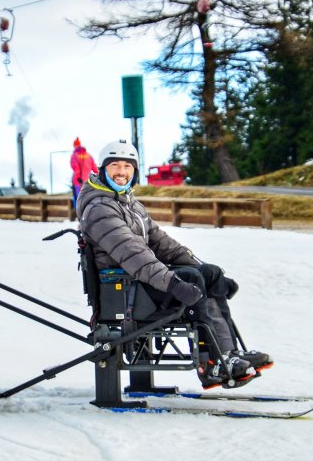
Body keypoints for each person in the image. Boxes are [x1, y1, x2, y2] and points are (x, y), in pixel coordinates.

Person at [76, 140, 271, 390]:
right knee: (190, 279)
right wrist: (172, 282)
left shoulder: (129, 203)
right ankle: (212, 364)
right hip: (124, 290)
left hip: (140, 284)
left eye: (127, 166)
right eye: (114, 165)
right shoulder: (99, 208)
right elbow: (133, 254)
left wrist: (212, 275)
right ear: (102, 170)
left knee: (207, 274)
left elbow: (163, 244)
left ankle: (228, 352)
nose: (121, 172)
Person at [70, 137, 98, 208]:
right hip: (87, 180)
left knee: (78, 198)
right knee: (87, 197)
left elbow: (76, 167)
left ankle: (78, 213)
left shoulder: (74, 155)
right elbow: (94, 167)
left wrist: (78, 177)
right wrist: (99, 174)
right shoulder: (88, 155)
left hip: (78, 180)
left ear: (75, 146)